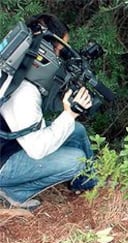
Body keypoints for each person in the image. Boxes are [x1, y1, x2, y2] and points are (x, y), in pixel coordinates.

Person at [0, 13, 97, 209]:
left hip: (12, 143)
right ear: (45, 50)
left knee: (76, 130)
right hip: (5, 161)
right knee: (75, 160)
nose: (61, 59)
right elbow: (37, 149)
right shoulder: (24, 92)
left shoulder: (11, 67)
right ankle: (14, 191)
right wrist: (70, 113)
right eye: (60, 52)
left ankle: (87, 183)